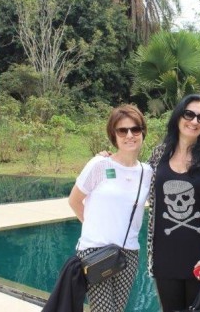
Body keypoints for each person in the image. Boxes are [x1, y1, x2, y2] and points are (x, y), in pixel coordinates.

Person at [146, 94, 200, 311]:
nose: (194, 121)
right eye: (189, 114)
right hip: (164, 257)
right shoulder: (159, 155)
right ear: (178, 116)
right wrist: (108, 161)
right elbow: (137, 185)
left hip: (199, 261)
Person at [68, 104, 153, 312]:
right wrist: (94, 229)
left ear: (142, 132)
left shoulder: (147, 172)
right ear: (113, 135)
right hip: (95, 251)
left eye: (135, 129)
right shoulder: (100, 164)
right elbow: (74, 200)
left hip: (129, 253)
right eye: (122, 130)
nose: (130, 135)